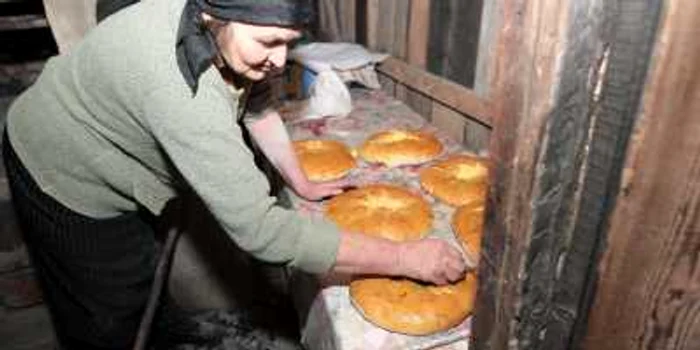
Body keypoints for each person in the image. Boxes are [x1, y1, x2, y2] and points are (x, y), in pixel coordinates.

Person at [1, 0, 468, 349]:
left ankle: (166, 328)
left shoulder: (220, 26)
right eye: (268, 43)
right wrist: (406, 259)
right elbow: (263, 234)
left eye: (289, 44)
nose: (281, 62)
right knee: (105, 311)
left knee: (140, 270)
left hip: (110, 137)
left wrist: (299, 180)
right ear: (212, 18)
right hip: (59, 167)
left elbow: (255, 101)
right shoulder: (182, 86)